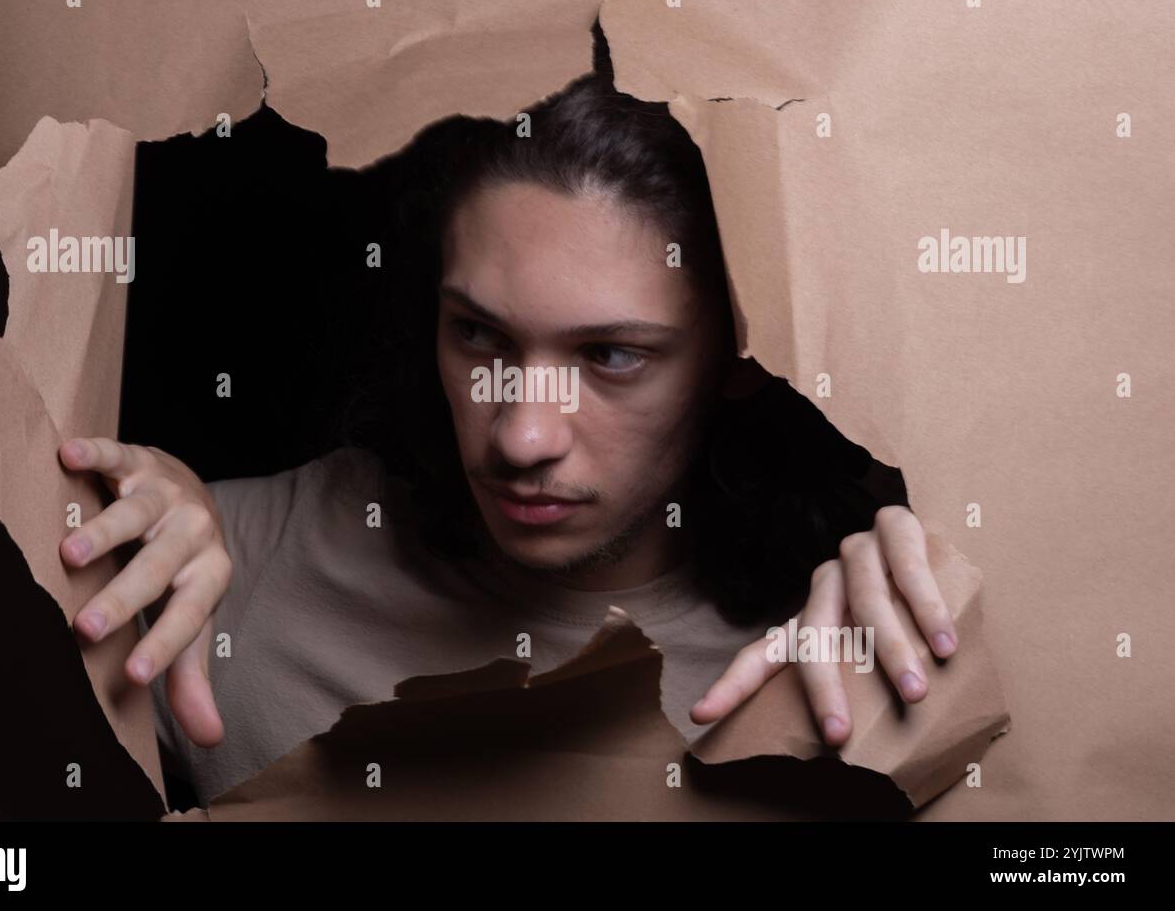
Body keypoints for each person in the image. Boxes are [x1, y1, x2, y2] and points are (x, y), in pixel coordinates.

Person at [55, 46, 957, 806]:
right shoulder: (220, 566)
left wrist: (934, 642)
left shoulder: (826, 652)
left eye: (610, 355)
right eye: (479, 334)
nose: (522, 438)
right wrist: (102, 514)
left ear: (741, 358)